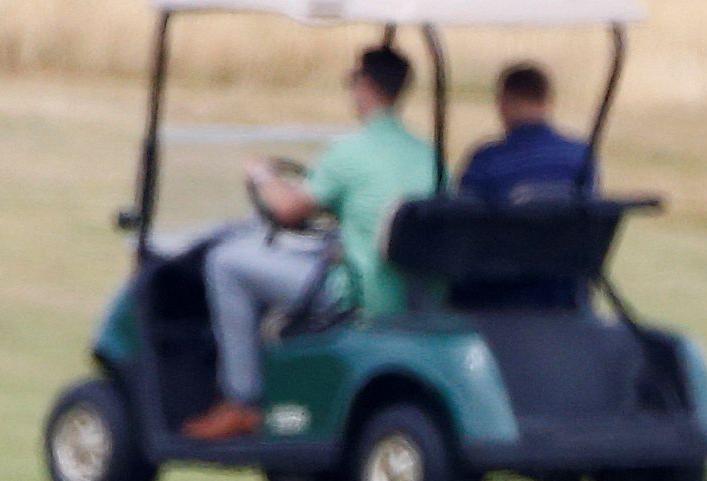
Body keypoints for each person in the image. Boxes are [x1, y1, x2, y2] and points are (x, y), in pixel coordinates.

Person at [183, 44, 438, 442]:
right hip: (411, 292)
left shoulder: (351, 152)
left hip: (355, 295)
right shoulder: (428, 156)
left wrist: (262, 175)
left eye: (353, 81)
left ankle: (241, 400)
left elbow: (287, 209)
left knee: (225, 264)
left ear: (365, 86)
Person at [457, 62, 591, 202]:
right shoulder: (581, 157)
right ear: (548, 101)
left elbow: (463, 215)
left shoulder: (488, 161)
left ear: (505, 102)